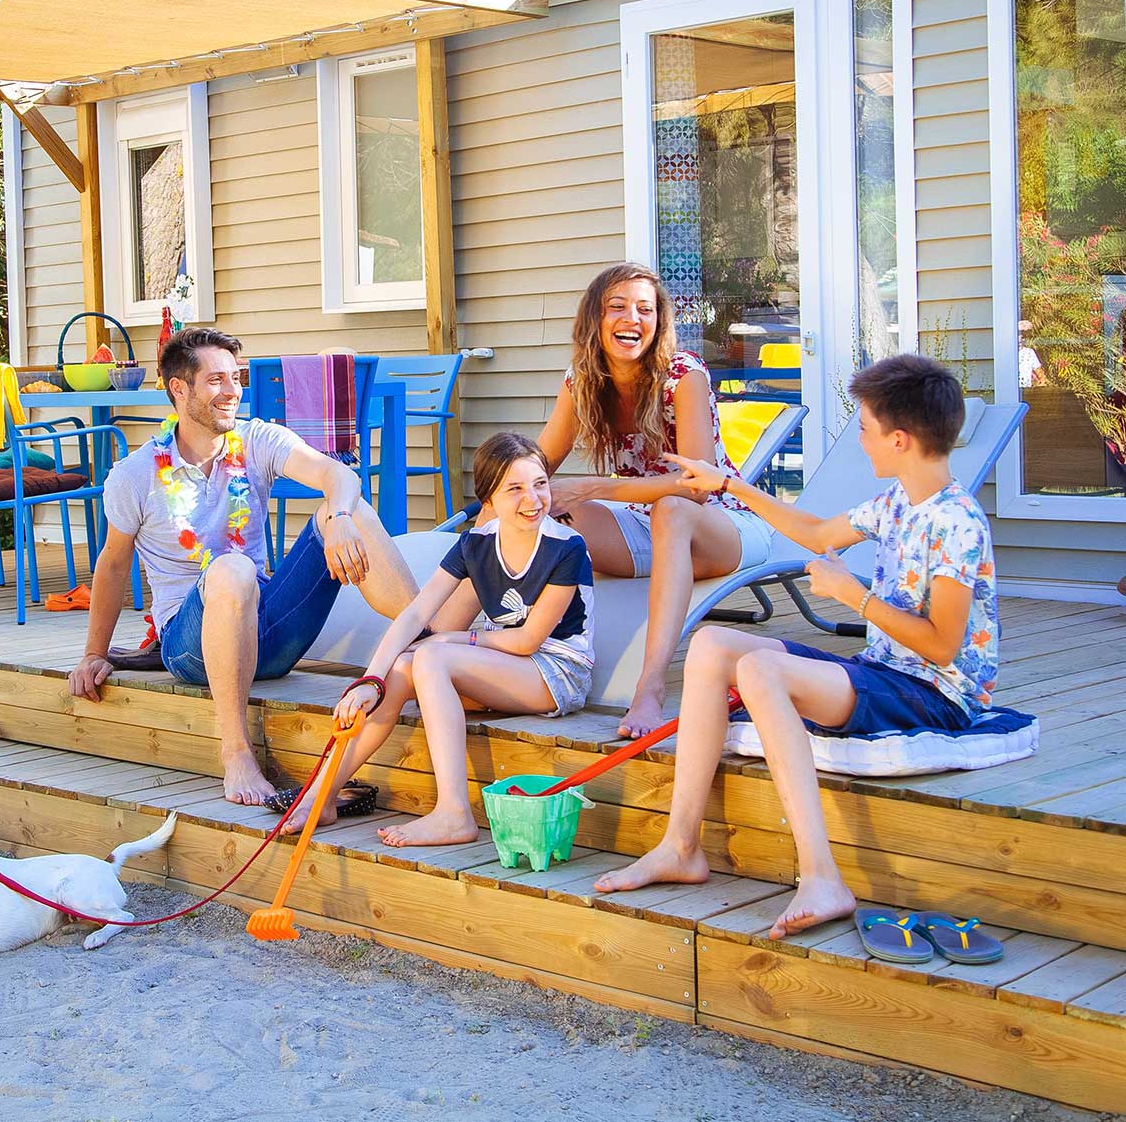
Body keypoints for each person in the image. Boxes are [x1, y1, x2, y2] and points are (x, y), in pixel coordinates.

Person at [594, 354, 998, 940]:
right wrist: (727, 483)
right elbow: (814, 533)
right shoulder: (896, 503)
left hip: (935, 694)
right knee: (710, 644)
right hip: (885, 671)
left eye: (864, 427)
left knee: (760, 670)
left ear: (901, 439)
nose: (858, 438)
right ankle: (681, 845)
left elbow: (942, 646)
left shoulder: (957, 522)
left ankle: (822, 876)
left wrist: (853, 596)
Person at [67, 329, 417, 806]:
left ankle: (434, 646)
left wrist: (335, 516)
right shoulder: (135, 475)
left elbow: (338, 472)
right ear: (179, 390)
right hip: (190, 648)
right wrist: (94, 653)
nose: (232, 391)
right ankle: (236, 754)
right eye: (216, 380)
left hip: (270, 631)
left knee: (348, 508)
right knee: (232, 569)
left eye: (236, 378)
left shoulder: (256, 439)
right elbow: (111, 565)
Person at [284, 432, 594, 845]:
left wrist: (453, 642)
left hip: (555, 671)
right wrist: (369, 679)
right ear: (490, 499)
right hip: (505, 663)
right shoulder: (477, 543)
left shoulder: (567, 547)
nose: (533, 500)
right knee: (402, 667)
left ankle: (453, 813)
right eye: (515, 489)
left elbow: (527, 641)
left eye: (540, 484)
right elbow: (416, 612)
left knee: (430, 656)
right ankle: (322, 794)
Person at [534, 263, 775, 738]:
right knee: (547, 507)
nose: (633, 318)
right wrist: (507, 495)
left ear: (660, 322)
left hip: (719, 524)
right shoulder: (582, 381)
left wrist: (594, 486)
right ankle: (516, 649)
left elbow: (698, 484)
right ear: (595, 321)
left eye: (645, 309)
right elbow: (539, 464)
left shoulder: (683, 375)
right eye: (618, 307)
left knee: (672, 508)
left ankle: (649, 686)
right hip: (647, 525)